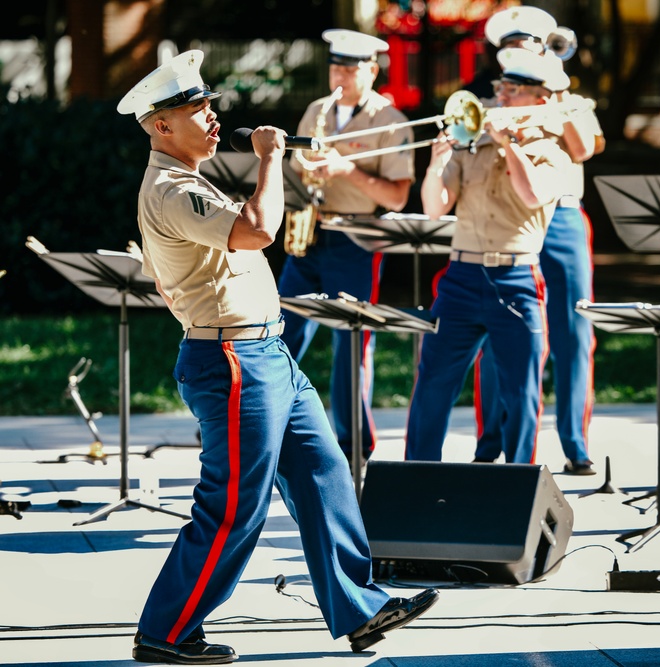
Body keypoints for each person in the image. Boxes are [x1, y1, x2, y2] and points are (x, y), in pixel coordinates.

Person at [117, 50, 436, 664]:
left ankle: (361, 609)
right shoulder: (172, 187)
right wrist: (271, 160)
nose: (211, 118)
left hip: (267, 353)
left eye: (210, 106)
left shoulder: (192, 179)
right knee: (234, 504)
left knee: (324, 474)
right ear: (160, 125)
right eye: (194, 110)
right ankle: (166, 630)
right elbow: (261, 230)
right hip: (234, 360)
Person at [405, 49, 573, 465]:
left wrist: (509, 144)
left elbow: (532, 194)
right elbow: (434, 208)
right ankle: (416, 479)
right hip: (461, 275)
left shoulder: (553, 153)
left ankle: (517, 488)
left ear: (542, 100)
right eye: (502, 88)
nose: (501, 97)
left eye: (514, 91)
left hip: (515, 279)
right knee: (432, 383)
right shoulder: (472, 143)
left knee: (521, 393)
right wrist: (438, 161)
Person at [472, 6, 605, 475]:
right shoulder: (485, 104)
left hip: (562, 217)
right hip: (506, 221)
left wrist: (556, 93)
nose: (515, 58)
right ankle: (491, 442)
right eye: (507, 51)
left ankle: (575, 442)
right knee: (497, 331)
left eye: (525, 46)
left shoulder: (569, 98)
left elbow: (585, 148)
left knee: (573, 331)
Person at [278, 29, 415, 465]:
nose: (339, 76)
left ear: (372, 71)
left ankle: (354, 446)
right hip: (309, 232)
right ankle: (265, 421)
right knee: (278, 331)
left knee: (351, 345)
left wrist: (346, 169)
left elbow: (396, 197)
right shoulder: (317, 110)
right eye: (335, 67)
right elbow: (296, 169)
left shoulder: (390, 119)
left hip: (356, 239)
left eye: (350, 69)